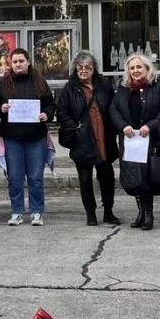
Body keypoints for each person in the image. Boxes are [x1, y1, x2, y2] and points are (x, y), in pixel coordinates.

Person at [0, 47, 55, 226]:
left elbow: (50, 104)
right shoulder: (3, 84)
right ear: (11, 64)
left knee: (35, 177)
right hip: (12, 139)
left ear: (28, 62)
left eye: (21, 61)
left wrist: (46, 114)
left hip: (36, 138)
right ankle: (17, 212)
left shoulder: (39, 82)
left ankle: (37, 212)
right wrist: (0, 109)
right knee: (15, 178)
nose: (18, 64)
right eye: (15, 61)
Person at [109, 52, 160, 231]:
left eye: (139, 67)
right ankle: (140, 212)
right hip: (131, 141)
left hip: (151, 141)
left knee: (147, 179)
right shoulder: (123, 89)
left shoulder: (157, 88)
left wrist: (150, 126)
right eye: (132, 68)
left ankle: (148, 214)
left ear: (147, 68)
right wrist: (123, 126)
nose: (136, 70)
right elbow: (113, 110)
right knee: (134, 179)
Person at [56, 51, 120, 227]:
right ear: (75, 68)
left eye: (88, 67)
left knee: (107, 177)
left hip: (104, 138)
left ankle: (108, 211)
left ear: (94, 68)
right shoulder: (69, 88)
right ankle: (90, 213)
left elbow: (113, 107)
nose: (84, 70)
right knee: (85, 179)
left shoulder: (104, 85)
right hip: (81, 139)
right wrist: (73, 127)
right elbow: (62, 112)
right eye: (80, 67)